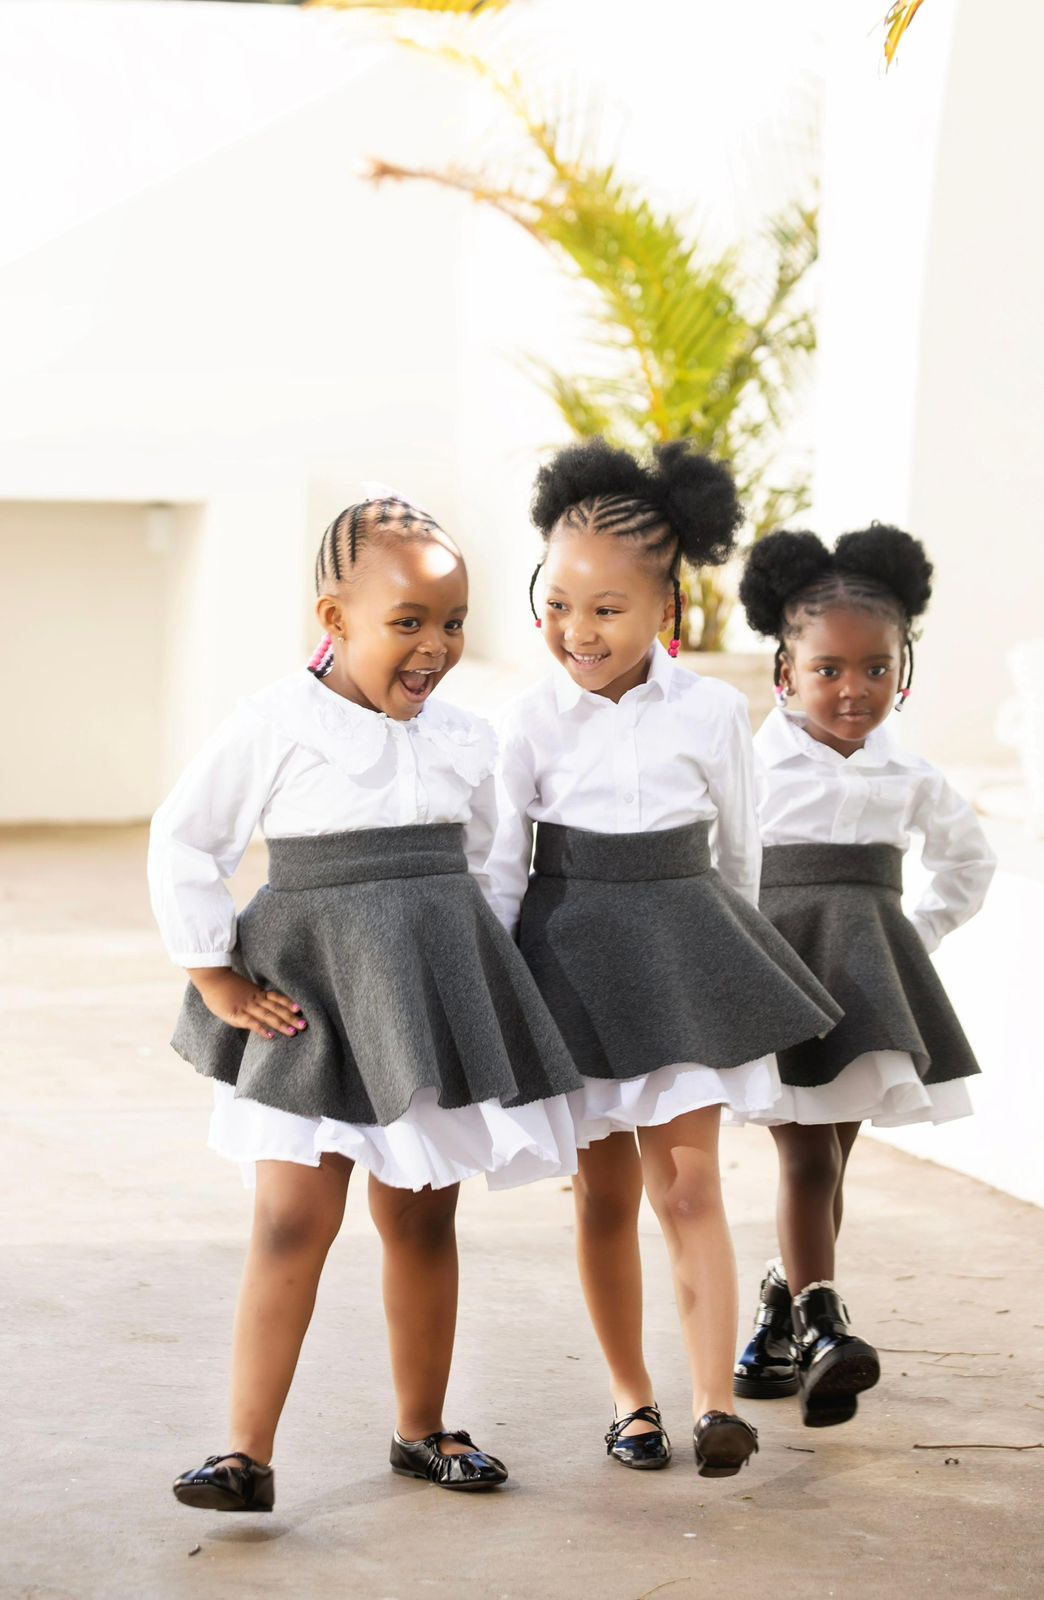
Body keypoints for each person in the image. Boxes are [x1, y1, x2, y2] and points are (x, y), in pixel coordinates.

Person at [148, 493, 583, 1510]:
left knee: (422, 1219)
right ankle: (244, 1453)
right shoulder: (274, 723)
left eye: (452, 622)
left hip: (423, 1006)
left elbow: (492, 861)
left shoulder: (466, 739)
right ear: (333, 619)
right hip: (309, 1003)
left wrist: (483, 978)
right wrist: (213, 969)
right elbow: (185, 837)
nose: (434, 648)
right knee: (290, 1221)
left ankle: (423, 1427)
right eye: (407, 624)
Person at [486, 439, 841, 1478]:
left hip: (683, 955)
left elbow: (740, 850)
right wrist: (506, 997)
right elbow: (505, 868)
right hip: (572, 961)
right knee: (601, 1196)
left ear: (665, 616)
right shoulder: (527, 720)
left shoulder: (710, 711)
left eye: (605, 608)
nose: (575, 629)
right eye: (558, 603)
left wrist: (734, 972)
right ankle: (630, 1401)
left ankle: (714, 1402)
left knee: (687, 1183)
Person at [732, 525, 995, 1426]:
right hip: (780, 980)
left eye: (876, 669)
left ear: (902, 668)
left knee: (833, 1163)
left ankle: (778, 1310)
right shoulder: (751, 766)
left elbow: (969, 865)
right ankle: (824, 1329)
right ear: (785, 672)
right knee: (806, 1160)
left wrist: (907, 942)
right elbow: (718, 869)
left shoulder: (908, 772)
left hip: (867, 988)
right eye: (830, 670)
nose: (854, 690)